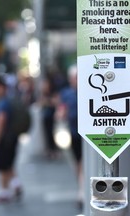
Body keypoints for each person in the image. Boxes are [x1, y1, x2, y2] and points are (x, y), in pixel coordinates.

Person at [0, 76, 22, 203]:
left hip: (5, 139)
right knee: (9, 165)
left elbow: (1, 120)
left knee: (3, 166)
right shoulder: (9, 100)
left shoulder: (3, 102)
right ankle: (16, 185)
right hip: (12, 138)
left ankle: (4, 193)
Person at [57, 64, 83, 208]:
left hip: (88, 135)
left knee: (84, 164)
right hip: (74, 133)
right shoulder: (67, 93)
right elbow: (62, 109)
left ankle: (82, 191)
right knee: (78, 163)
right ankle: (81, 187)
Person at [39, 76, 59, 159]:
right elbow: (41, 103)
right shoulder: (43, 93)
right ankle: (49, 150)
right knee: (46, 134)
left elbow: (55, 102)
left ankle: (53, 150)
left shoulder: (52, 92)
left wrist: (47, 102)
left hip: (51, 116)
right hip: (45, 116)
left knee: (52, 133)